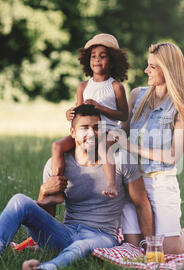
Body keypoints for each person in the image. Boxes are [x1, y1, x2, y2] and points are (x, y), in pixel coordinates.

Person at [0, 105, 154, 270]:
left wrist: (151, 247)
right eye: (84, 128)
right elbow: (48, 219)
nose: (91, 133)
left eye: (96, 127)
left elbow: (142, 203)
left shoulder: (121, 159)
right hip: (66, 232)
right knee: (19, 200)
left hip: (102, 236)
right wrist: (44, 191)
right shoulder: (55, 165)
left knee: (81, 246)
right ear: (72, 132)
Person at [111, 42, 184, 254]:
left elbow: (173, 156)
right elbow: (121, 130)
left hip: (161, 183)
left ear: (168, 70)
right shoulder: (137, 95)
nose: (146, 70)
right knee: (133, 248)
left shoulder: (180, 108)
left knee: (169, 250)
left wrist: (131, 147)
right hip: (133, 184)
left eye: (153, 67)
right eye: (148, 65)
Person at [50, 33, 129, 201]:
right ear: (88, 60)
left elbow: (124, 115)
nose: (97, 60)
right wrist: (70, 114)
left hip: (111, 131)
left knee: (102, 146)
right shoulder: (83, 86)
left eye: (102, 56)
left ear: (113, 60)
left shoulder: (116, 87)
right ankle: (56, 187)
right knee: (57, 146)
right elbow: (79, 114)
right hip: (88, 131)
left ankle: (111, 183)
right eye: (93, 56)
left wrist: (100, 107)